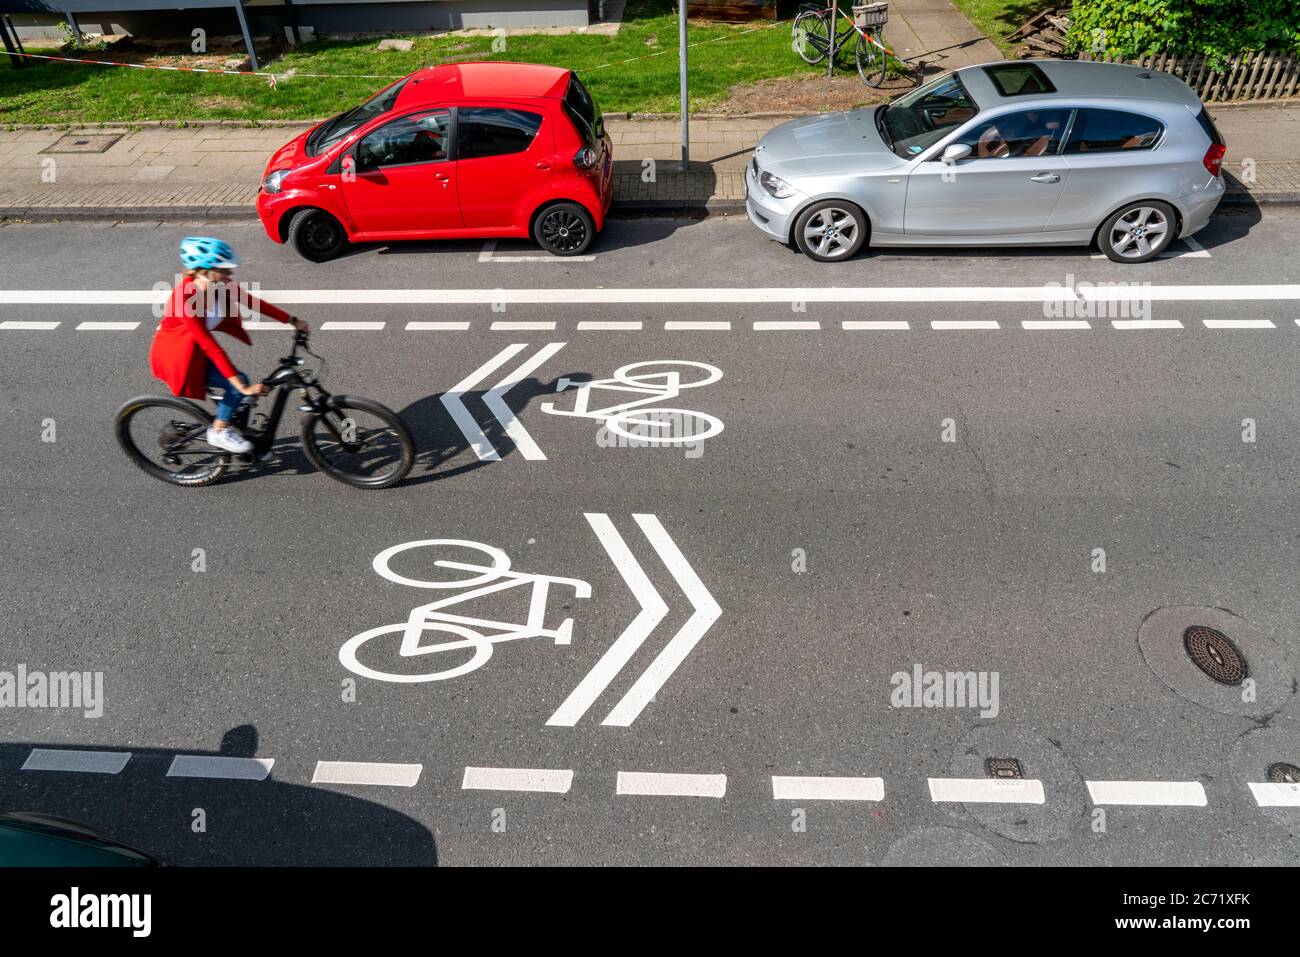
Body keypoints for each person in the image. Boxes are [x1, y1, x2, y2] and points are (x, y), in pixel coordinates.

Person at [149, 237, 308, 454]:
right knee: (239, 382)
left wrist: (292, 320)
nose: (230, 275)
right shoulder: (185, 299)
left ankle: (234, 426)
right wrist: (241, 387)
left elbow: (252, 302)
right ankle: (220, 432)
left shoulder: (218, 285)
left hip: (194, 349)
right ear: (205, 271)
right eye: (224, 270)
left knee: (240, 391)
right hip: (179, 357)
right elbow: (210, 346)